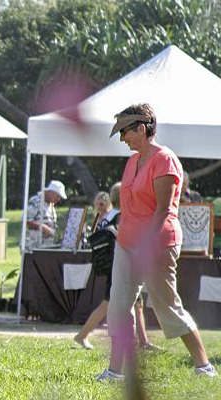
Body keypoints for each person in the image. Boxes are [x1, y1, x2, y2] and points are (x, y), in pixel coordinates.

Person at [97, 103, 215, 382]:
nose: (122, 138)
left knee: (166, 305)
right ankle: (115, 371)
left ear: (141, 128)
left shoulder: (165, 159)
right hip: (127, 243)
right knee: (118, 304)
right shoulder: (130, 161)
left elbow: (162, 209)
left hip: (157, 243)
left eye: (124, 132)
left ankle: (203, 367)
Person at [74, 189, 156, 350]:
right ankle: (82, 335)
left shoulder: (107, 217)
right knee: (108, 302)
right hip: (120, 265)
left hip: (118, 264)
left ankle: (144, 341)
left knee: (137, 303)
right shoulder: (120, 216)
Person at [25, 180, 67, 250]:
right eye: (58, 196)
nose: (58, 199)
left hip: (47, 245)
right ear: (50, 192)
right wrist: (44, 228)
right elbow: (27, 220)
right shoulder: (35, 201)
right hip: (33, 246)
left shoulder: (51, 205)